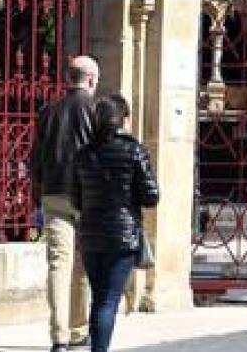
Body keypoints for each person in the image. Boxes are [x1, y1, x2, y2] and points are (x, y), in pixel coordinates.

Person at [74, 94, 159, 352]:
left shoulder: (84, 153)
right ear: (124, 119)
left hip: (90, 233)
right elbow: (151, 196)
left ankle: (96, 346)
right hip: (122, 235)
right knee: (108, 300)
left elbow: (76, 196)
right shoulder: (134, 150)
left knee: (99, 297)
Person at [29, 56, 98, 352]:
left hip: (54, 193)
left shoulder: (48, 111)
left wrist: (37, 197)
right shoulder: (97, 109)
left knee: (58, 264)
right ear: (91, 80)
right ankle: (79, 330)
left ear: (68, 79)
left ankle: (59, 337)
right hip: (87, 197)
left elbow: (35, 159)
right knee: (82, 264)